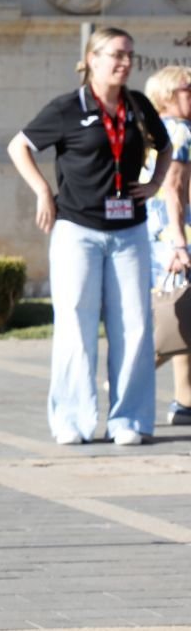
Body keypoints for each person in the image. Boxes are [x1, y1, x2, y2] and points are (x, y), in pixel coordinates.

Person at [7, 26, 173, 445]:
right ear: (92, 59)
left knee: (134, 326)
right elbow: (18, 146)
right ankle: (72, 420)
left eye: (130, 55)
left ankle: (129, 421)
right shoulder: (68, 107)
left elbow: (166, 146)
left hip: (129, 231)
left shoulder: (137, 106)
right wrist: (42, 191)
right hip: (77, 230)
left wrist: (154, 184)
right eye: (117, 54)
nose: (125, 62)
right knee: (75, 325)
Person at [144, 64, 191, 426]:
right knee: (177, 313)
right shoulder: (179, 131)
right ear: (167, 95)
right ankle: (131, 374)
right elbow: (173, 190)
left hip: (157, 231)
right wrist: (179, 243)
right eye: (187, 90)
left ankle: (185, 401)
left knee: (182, 313)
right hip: (174, 235)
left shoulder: (157, 129)